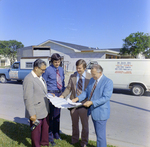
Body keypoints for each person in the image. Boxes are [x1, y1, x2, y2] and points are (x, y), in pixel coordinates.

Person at [72, 64, 113, 147]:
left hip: (101, 112)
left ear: (100, 73)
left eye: (94, 74)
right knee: (98, 134)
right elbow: (86, 92)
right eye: (91, 73)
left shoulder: (108, 82)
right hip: (93, 111)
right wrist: (77, 99)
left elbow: (106, 97)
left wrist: (92, 102)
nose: (92, 76)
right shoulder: (92, 80)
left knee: (100, 136)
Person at [60, 59, 92, 147]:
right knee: (74, 123)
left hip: (84, 104)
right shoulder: (73, 76)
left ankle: (84, 142)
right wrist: (63, 96)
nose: (78, 70)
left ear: (85, 68)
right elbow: (68, 88)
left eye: (80, 68)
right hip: (73, 103)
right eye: (77, 68)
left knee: (84, 125)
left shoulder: (90, 77)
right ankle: (74, 140)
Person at [23, 59, 50, 147]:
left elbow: (41, 91)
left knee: (45, 128)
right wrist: (32, 114)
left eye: (44, 69)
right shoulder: (29, 79)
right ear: (36, 68)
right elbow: (28, 98)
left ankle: (44, 143)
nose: (44, 71)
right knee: (36, 132)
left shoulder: (40, 76)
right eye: (42, 70)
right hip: (36, 111)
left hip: (44, 109)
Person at [42, 53, 65, 146]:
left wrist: (63, 93)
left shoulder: (61, 69)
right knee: (51, 117)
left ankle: (56, 134)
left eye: (59, 62)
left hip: (59, 95)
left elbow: (63, 82)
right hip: (51, 95)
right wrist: (48, 94)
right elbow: (43, 83)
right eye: (55, 62)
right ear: (52, 61)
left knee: (57, 116)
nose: (57, 64)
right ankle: (50, 137)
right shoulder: (47, 70)